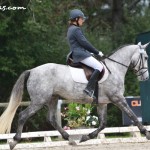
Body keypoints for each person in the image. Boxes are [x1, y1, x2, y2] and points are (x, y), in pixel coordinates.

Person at [67, 9, 104, 100]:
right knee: (99, 66)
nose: (83, 21)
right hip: (80, 55)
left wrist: (89, 52)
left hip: (78, 53)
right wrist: (97, 52)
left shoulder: (70, 29)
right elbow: (85, 43)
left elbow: (78, 44)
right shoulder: (76, 30)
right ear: (76, 19)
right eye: (81, 19)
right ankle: (89, 88)